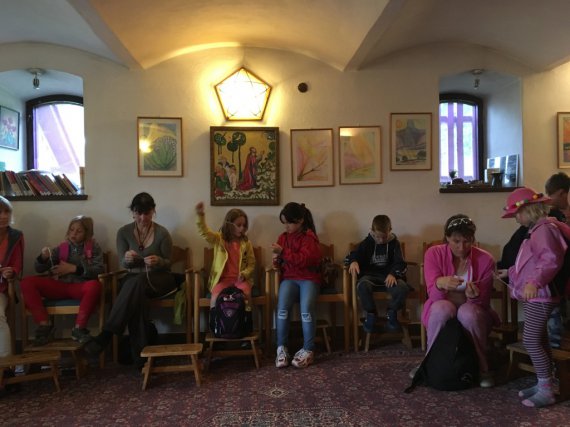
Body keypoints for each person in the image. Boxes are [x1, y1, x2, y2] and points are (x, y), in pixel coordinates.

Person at [498, 187, 570, 408]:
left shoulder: (543, 230)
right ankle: (544, 384)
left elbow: (550, 260)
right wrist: (509, 272)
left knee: (530, 339)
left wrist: (534, 283)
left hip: (542, 295)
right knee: (540, 339)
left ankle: (546, 390)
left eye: (517, 214)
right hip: (537, 295)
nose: (516, 218)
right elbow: (528, 263)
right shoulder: (535, 230)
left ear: (529, 210)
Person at [86, 192, 178, 367]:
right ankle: (140, 358)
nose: (143, 218)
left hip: (159, 279)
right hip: (135, 280)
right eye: (139, 213)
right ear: (133, 212)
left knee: (136, 283)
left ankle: (107, 333)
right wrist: (127, 259)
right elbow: (123, 263)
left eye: (147, 213)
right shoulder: (124, 232)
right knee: (137, 293)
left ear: (153, 211)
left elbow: (168, 263)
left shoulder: (162, 233)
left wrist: (159, 261)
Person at [422, 214, 499, 388]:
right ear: (447, 238)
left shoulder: (486, 259)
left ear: (473, 239)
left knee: (468, 312)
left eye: (467, 241)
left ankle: (483, 367)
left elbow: (484, 303)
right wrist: (439, 284)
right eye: (456, 241)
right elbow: (433, 297)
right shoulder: (433, 254)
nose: (461, 247)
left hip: (474, 311)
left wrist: (474, 297)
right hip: (441, 306)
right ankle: (428, 363)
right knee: (441, 308)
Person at [20, 216, 104, 345]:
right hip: (60, 286)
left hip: (79, 286)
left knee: (95, 286)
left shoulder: (94, 248)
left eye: (79, 231)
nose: (74, 234)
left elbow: (98, 270)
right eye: (71, 230)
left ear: (87, 233)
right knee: (27, 282)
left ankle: (79, 329)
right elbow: (39, 269)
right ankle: (45, 325)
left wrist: (74, 269)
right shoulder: (62, 248)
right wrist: (43, 258)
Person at [272, 202, 322, 369]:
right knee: (282, 309)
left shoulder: (309, 238)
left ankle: (308, 349)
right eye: (284, 223)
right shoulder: (283, 237)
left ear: (300, 221)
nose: (286, 226)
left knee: (306, 309)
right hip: (290, 278)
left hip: (309, 278)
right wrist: (276, 260)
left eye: (289, 223)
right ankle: (281, 347)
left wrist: (283, 253)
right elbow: (281, 262)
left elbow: (304, 260)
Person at [195, 201, 256, 328]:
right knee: (215, 296)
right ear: (229, 224)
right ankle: (215, 326)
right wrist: (200, 216)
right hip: (222, 280)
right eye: (238, 225)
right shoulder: (219, 239)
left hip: (240, 280)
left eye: (244, 225)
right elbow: (204, 233)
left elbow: (251, 263)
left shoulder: (246, 243)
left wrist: (245, 274)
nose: (242, 228)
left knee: (246, 294)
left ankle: (246, 324)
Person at [345, 214, 409, 333]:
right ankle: (371, 314)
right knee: (362, 286)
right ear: (372, 231)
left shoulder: (395, 243)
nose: (381, 240)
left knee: (403, 288)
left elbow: (400, 262)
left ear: (390, 230)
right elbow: (353, 254)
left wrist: (393, 273)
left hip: (389, 277)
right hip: (370, 276)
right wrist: (353, 261)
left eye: (384, 237)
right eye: (377, 237)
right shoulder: (367, 242)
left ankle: (391, 312)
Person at [0, 196, 24, 357]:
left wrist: (11, 272)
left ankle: (5, 364)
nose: (3, 216)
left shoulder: (16, 236)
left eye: (7, 212)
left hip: (2, 288)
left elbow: (17, 265)